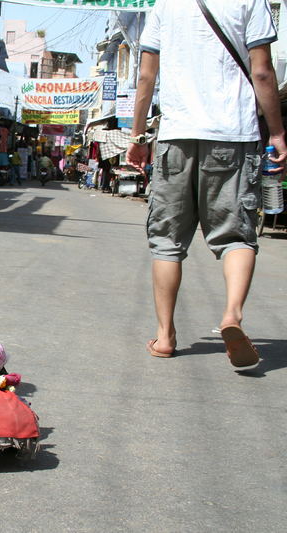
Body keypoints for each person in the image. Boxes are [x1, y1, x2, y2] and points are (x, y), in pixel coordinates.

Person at [126, 0, 287, 368]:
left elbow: (147, 78)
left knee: (167, 241)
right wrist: (276, 131)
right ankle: (232, 314)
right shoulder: (251, 2)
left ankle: (165, 336)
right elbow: (262, 73)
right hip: (233, 134)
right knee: (236, 236)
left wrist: (137, 135)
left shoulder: (165, 5)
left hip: (177, 135)